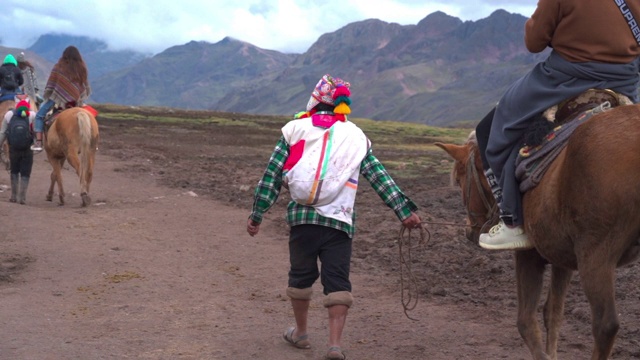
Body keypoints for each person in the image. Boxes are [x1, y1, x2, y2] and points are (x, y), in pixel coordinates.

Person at [247, 74, 422, 360]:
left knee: (301, 276)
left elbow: (272, 176)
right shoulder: (355, 136)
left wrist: (257, 214)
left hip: (302, 220)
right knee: (337, 280)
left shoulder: (294, 129)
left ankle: (301, 334)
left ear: (315, 100)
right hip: (340, 221)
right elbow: (379, 176)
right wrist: (404, 211)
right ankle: (334, 345)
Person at [476, 0, 640, 251]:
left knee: (492, 128)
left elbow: (534, 42)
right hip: (625, 81)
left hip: (566, 79)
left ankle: (512, 222)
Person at [31, 45, 91, 152]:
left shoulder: (58, 67)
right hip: (76, 101)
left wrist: (51, 94)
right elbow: (83, 87)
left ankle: (38, 143)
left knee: (39, 116)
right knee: (90, 117)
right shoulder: (82, 69)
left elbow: (52, 84)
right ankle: (92, 142)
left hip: (57, 98)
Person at [0, 99, 35, 204]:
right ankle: (22, 198)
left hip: (13, 148)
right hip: (28, 148)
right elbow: (36, 131)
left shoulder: (9, 115)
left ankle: (13, 196)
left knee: (14, 170)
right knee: (26, 172)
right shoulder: (32, 115)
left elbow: (3, 133)